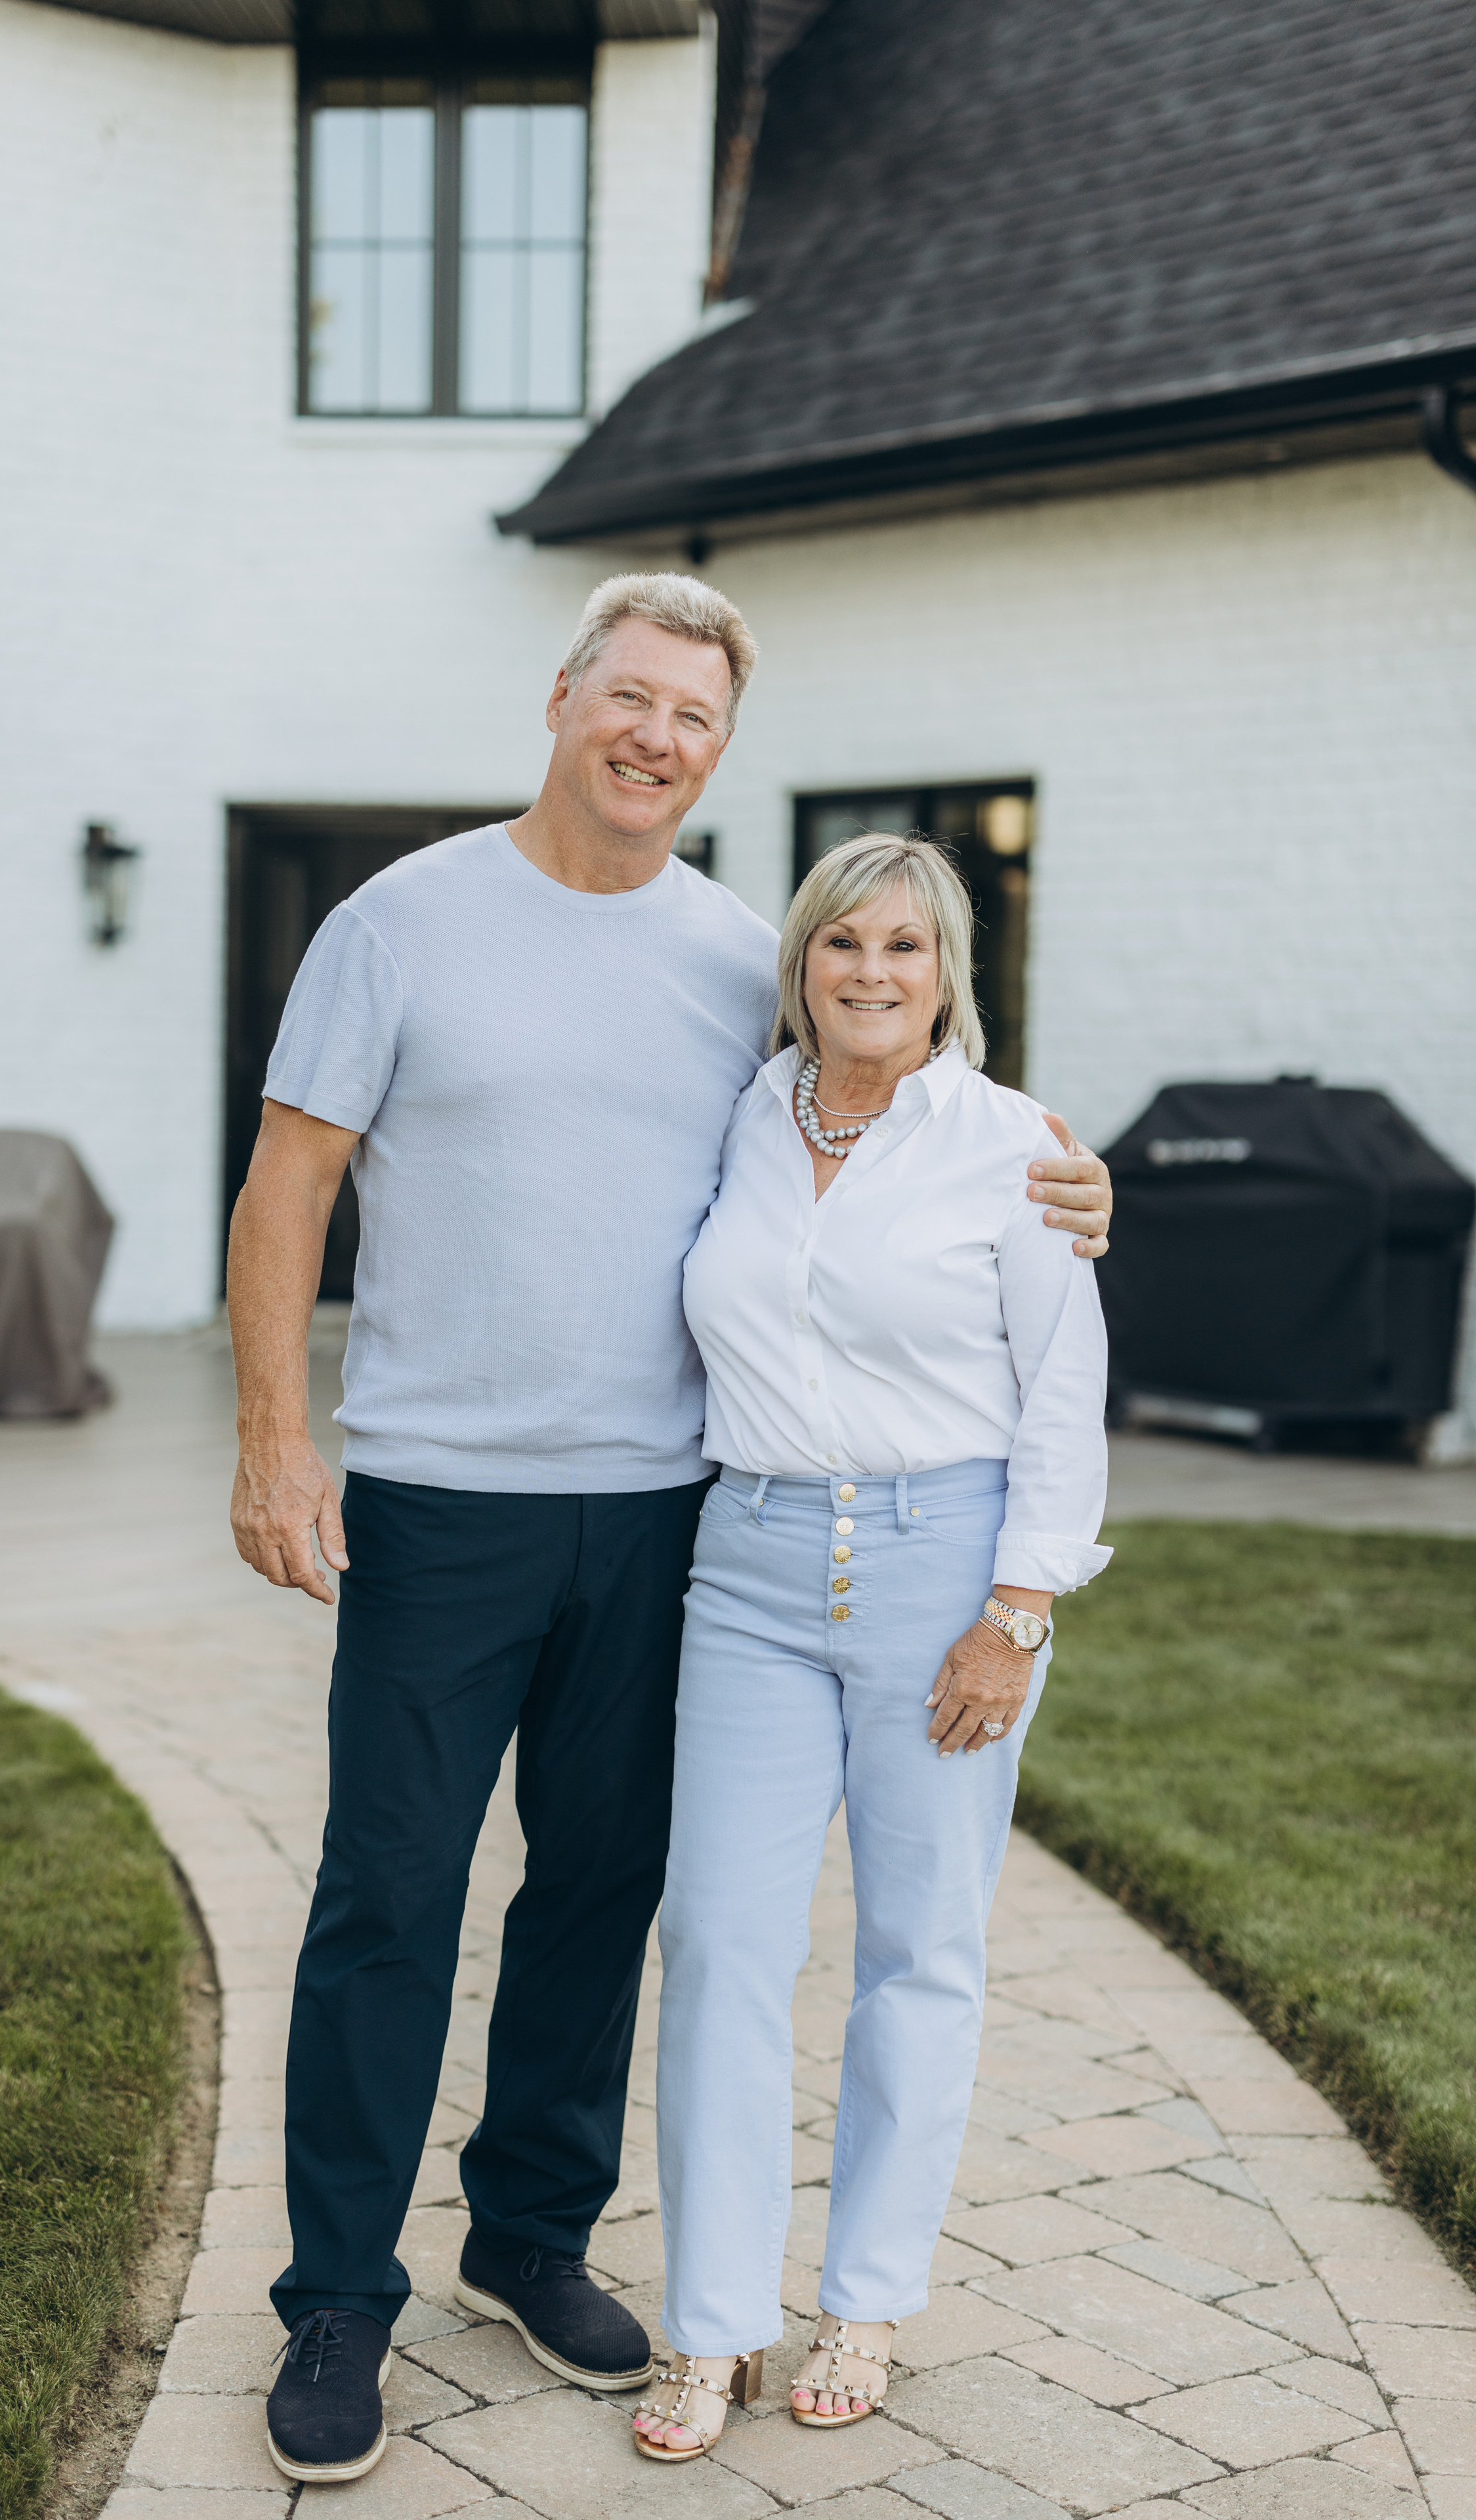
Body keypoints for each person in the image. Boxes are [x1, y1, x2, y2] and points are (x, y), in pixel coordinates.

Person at [224, 575, 1114, 2487]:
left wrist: (1065, 1176)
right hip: (440, 1505)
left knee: (604, 1895)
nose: (654, 738)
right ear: (562, 701)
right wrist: (276, 1439)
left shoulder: (743, 962)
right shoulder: (403, 922)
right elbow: (291, 1180)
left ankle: (532, 2232)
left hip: (665, 1520)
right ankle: (339, 2296)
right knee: (390, 1895)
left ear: (721, 751)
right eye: (627, 698)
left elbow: (904, 1124)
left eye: (693, 718)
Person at [628, 832, 1111, 2466]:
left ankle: (866, 2301)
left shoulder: (1013, 1148)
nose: (873, 974)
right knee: (717, 1943)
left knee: (920, 1950)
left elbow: (1061, 1397)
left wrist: (1015, 1611)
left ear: (946, 971)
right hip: (748, 1564)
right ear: (802, 965)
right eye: (843, 945)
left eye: (905, 947)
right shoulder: (741, 1123)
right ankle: (710, 2331)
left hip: (944, 1571)